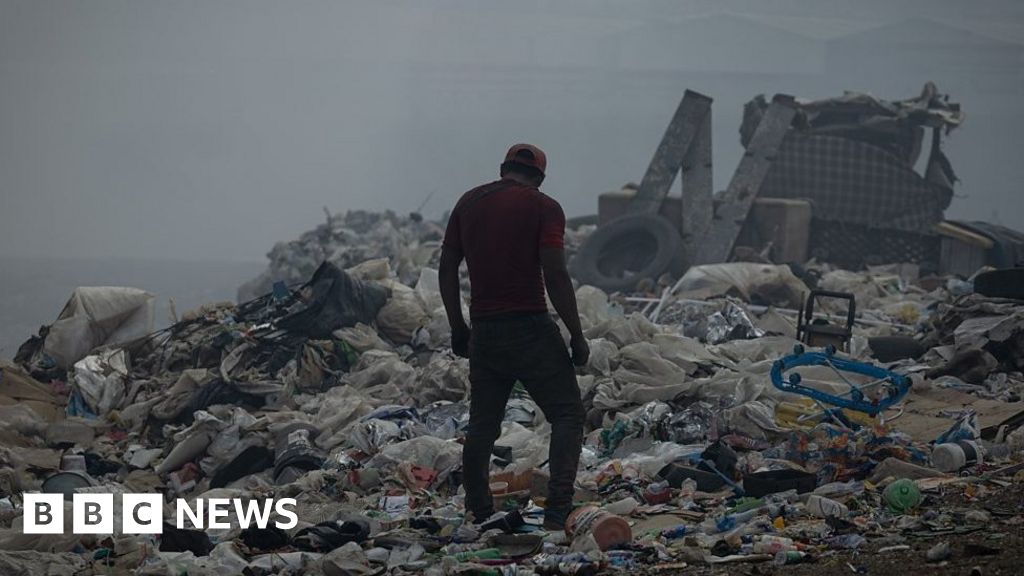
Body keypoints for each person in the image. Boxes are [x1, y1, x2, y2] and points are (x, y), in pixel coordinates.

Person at [439, 143, 589, 530]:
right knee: (568, 414)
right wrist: (576, 334)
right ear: (539, 177)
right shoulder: (544, 207)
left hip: (485, 333)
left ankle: (479, 511)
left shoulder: (468, 203)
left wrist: (458, 326)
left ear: (503, 168)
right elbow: (554, 273)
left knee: (482, 427)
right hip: (530, 327)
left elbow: (447, 266)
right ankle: (558, 510)